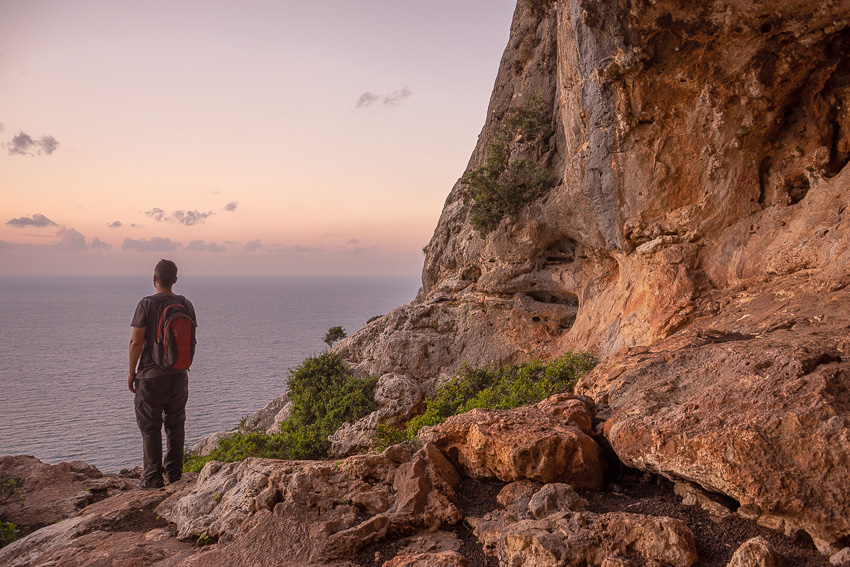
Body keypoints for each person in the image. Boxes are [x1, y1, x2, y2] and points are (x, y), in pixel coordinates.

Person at [128, 259, 197, 488]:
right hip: (179, 374)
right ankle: (175, 475)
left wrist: (132, 372)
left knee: (150, 426)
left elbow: (136, 342)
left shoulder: (146, 303)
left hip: (151, 376)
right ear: (175, 280)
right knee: (176, 424)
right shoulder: (185, 303)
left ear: (154, 279)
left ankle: (153, 478)